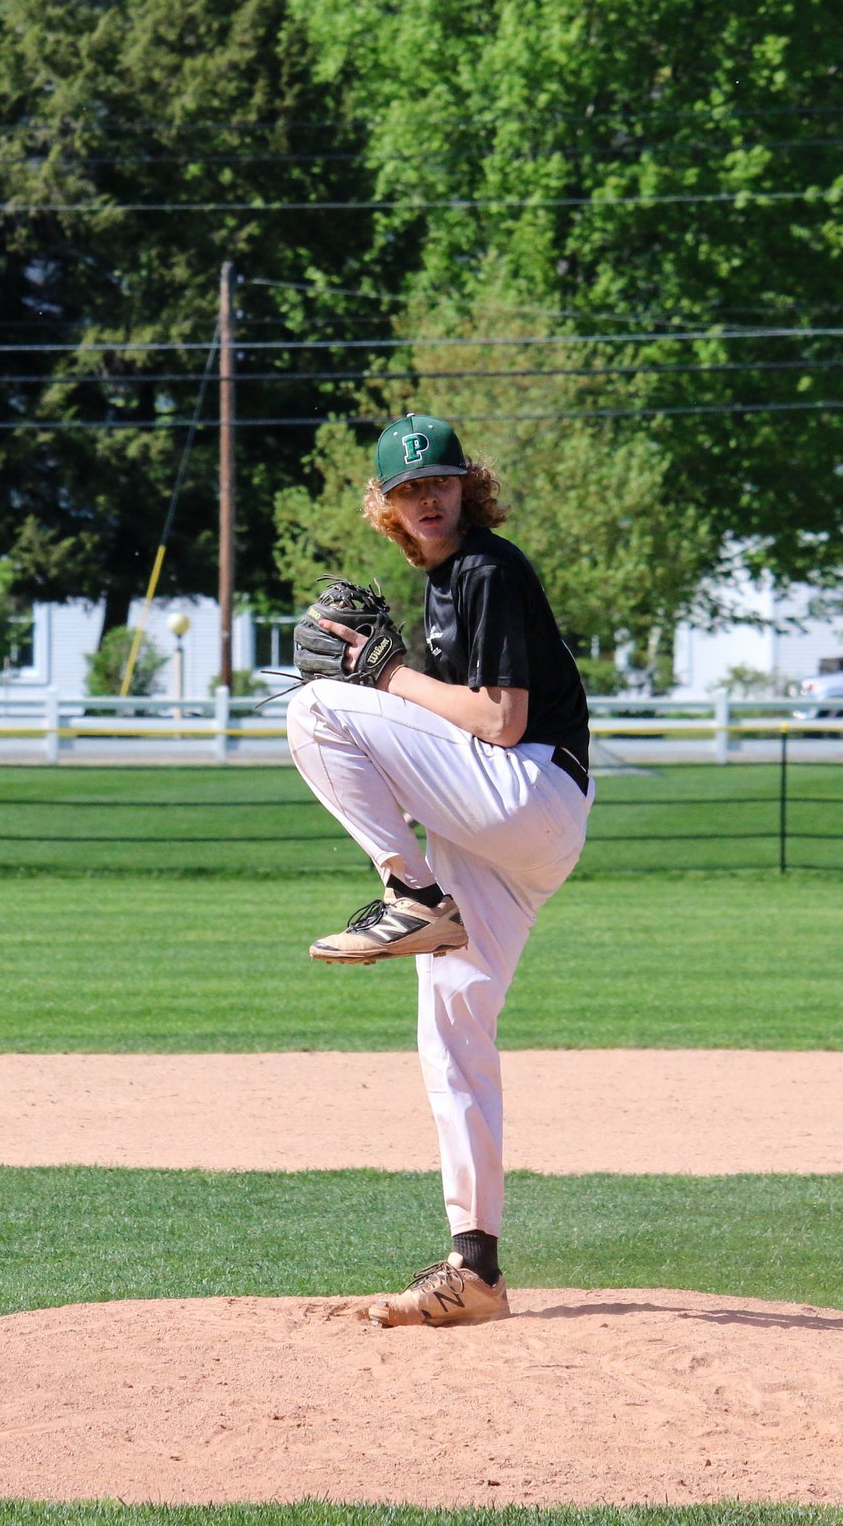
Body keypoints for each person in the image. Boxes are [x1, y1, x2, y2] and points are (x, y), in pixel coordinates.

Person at [285, 413, 592, 1328]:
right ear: (385, 504)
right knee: (452, 1030)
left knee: (317, 708)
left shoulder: (486, 568)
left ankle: (414, 895)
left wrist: (383, 675)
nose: (429, 498)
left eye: (442, 482)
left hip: (527, 789)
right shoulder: (444, 586)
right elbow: (449, 735)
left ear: (469, 487)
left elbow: (498, 721)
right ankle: (477, 1267)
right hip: (515, 830)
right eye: (410, 488)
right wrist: (400, 689)